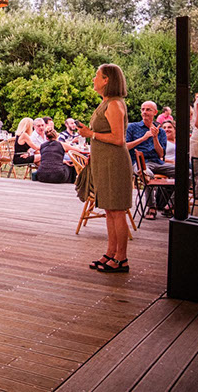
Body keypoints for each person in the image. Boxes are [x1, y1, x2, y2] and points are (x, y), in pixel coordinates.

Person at [78, 63, 132, 273]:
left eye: (97, 76)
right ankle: (110, 252)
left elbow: (119, 139)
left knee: (118, 210)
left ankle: (122, 258)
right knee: (110, 209)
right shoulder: (106, 103)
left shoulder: (115, 105)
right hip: (104, 162)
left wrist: (91, 135)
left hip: (114, 162)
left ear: (107, 79)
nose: (93, 79)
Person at [127, 101, 174, 177]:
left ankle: (166, 189)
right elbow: (126, 147)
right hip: (139, 163)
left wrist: (155, 137)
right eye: (143, 109)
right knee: (147, 174)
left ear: (155, 112)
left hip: (157, 163)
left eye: (148, 110)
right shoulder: (132, 127)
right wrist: (143, 138)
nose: (144, 112)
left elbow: (161, 154)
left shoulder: (161, 131)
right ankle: (154, 188)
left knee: (187, 172)